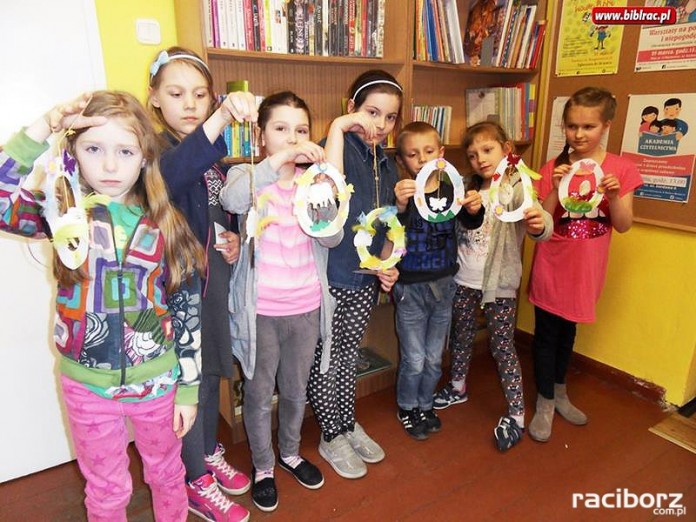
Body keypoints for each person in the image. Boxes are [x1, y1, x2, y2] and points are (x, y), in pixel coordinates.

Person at [0, 91, 206, 521]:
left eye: (125, 151)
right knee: (108, 489)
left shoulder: (163, 222)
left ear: (144, 158)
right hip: (87, 388)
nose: (110, 166)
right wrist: (43, 126)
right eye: (94, 149)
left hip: (158, 385)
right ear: (74, 152)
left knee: (168, 474)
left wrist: (188, 389)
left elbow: (186, 312)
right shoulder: (61, 214)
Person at [147, 46, 257, 522]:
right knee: (186, 382)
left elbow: (215, 211)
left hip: (211, 286)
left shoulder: (212, 158)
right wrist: (220, 117)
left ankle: (207, 450)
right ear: (154, 98)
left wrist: (232, 237)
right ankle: (192, 478)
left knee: (211, 370)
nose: (190, 104)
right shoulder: (153, 150)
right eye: (176, 94)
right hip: (178, 295)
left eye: (199, 94)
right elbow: (171, 178)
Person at [218, 91, 341, 512]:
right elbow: (231, 201)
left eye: (301, 129)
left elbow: (333, 238)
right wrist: (277, 161)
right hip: (262, 312)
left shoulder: (314, 185)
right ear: (261, 136)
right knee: (257, 392)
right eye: (281, 129)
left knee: (293, 389)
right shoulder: (249, 178)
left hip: (305, 307)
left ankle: (289, 453)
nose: (292, 138)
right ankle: (264, 466)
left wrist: (328, 193)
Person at [527, 86, 643, 443]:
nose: (579, 135)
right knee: (546, 335)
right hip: (552, 263)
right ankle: (544, 401)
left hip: (586, 270)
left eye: (588, 127)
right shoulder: (553, 167)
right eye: (572, 126)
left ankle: (560, 391)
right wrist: (553, 187)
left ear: (605, 126)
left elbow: (623, 225)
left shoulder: (621, 168)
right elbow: (541, 223)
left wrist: (613, 194)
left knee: (568, 332)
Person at [432, 121, 553, 451]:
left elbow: (539, 221)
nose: (481, 159)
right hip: (463, 280)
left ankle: (516, 414)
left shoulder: (516, 187)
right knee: (461, 334)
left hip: (498, 285)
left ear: (507, 148)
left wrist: (540, 224)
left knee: (502, 346)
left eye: (488, 150)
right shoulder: (468, 188)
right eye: (472, 155)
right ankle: (457, 386)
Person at [306, 69, 401, 480]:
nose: (379, 125)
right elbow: (331, 184)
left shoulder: (389, 164)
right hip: (332, 275)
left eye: (389, 117)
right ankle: (330, 435)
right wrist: (339, 127)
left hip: (364, 278)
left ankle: (345, 423)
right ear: (351, 110)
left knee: (348, 356)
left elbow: (388, 223)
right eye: (370, 113)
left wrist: (389, 262)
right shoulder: (338, 148)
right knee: (325, 359)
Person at [392, 122, 484, 440]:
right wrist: (401, 207)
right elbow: (391, 233)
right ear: (403, 161)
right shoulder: (402, 192)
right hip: (411, 288)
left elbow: (470, 221)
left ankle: (425, 402)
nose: (422, 159)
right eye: (413, 155)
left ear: (441, 154)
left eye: (429, 151)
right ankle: (407, 406)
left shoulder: (450, 189)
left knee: (433, 356)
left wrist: (474, 208)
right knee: (414, 357)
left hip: (445, 285)